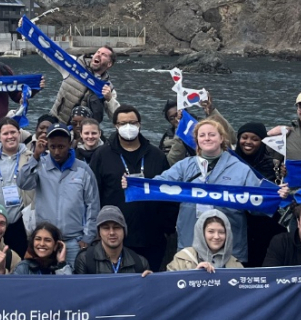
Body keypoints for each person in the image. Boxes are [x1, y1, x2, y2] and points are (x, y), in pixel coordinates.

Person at [138, 117, 265, 263]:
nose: (207, 138)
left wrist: (277, 195)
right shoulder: (184, 166)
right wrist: (134, 184)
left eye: (212, 135)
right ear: (197, 140)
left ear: (221, 138)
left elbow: (259, 206)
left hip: (229, 247)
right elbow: (157, 186)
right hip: (190, 244)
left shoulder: (241, 169)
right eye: (202, 135)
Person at [88, 105, 173, 270]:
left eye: (132, 122)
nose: (128, 126)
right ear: (116, 126)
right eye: (123, 123)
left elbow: (168, 194)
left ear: (140, 124)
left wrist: (166, 227)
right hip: (113, 237)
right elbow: (93, 195)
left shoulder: (157, 156)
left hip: (152, 236)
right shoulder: (101, 155)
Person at [19, 126, 99, 261]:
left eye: (61, 147)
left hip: (74, 241)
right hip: (45, 241)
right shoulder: (40, 165)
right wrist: (35, 156)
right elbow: (23, 183)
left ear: (70, 144)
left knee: (73, 279)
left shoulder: (83, 169)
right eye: (52, 147)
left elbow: (93, 205)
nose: (56, 152)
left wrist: (87, 238)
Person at [232, 120, 285, 270]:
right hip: (237, 224)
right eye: (244, 137)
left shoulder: (273, 166)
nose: (248, 142)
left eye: (255, 139)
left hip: (263, 227)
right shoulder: (229, 162)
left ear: (262, 142)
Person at [0, 118, 32, 257]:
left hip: (20, 221)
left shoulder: (31, 158)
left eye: (13, 132)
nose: (10, 136)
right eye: (5, 133)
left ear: (19, 133)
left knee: (17, 261)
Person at [50, 45, 117, 126]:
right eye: (98, 52)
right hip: (56, 122)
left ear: (109, 64)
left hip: (82, 131)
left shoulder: (107, 88)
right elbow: (49, 52)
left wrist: (109, 99)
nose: (98, 55)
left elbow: (117, 117)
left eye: (104, 55)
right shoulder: (74, 65)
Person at [73, 206, 152, 275]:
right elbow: (80, 290)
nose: (111, 232)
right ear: (99, 232)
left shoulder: (140, 262)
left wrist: (150, 282)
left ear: (124, 231)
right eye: (106, 228)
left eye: (116, 227)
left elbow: (145, 291)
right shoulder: (85, 259)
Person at [165, 210, 241, 272]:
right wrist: (195, 275)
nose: (216, 237)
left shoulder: (235, 265)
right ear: (201, 233)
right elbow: (169, 286)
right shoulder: (183, 258)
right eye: (211, 231)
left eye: (221, 232)